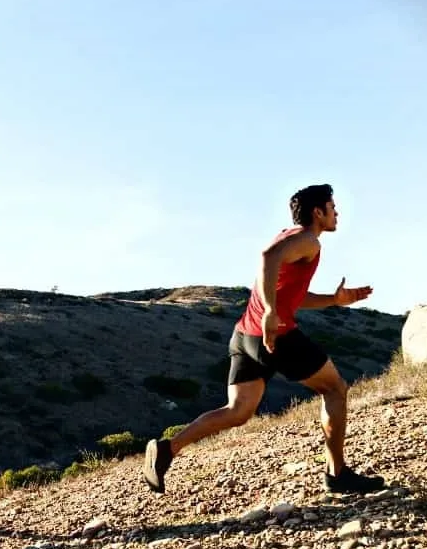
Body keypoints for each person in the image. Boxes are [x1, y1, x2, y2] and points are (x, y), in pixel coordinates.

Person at [142, 183, 386, 495]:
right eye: (332, 206)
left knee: (237, 411)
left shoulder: (290, 238)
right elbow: (267, 257)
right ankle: (337, 474)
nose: (336, 212)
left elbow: (289, 295)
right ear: (317, 212)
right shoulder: (307, 239)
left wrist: (334, 300)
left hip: (246, 335)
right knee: (335, 389)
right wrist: (271, 312)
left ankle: (166, 450)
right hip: (276, 337)